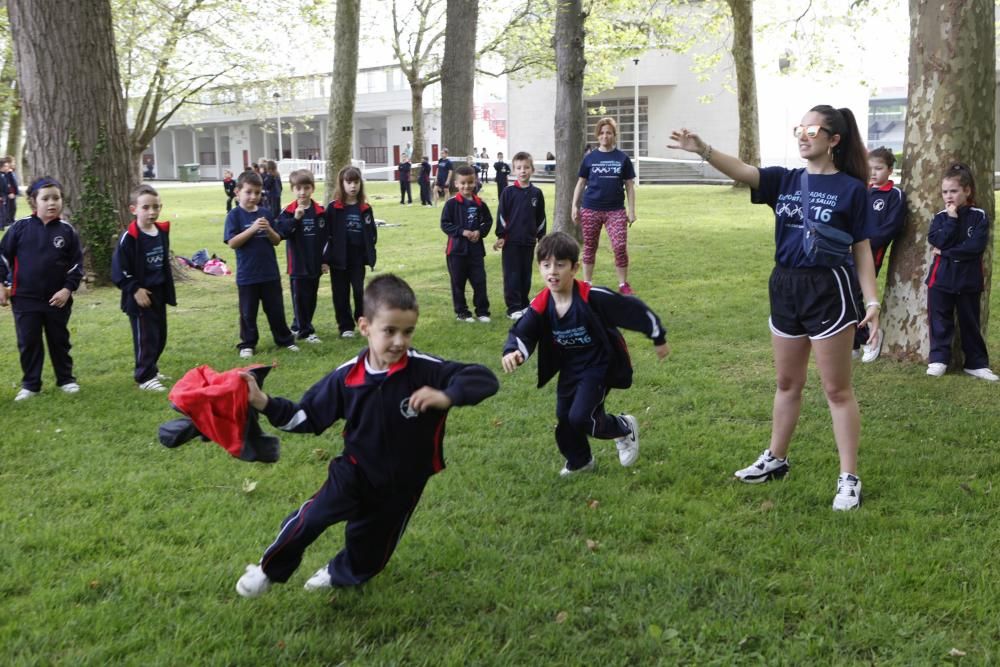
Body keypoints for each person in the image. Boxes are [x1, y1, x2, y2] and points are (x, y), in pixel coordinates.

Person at [234, 274, 500, 598]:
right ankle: (266, 570)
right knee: (311, 518)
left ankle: (338, 572)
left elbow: (483, 378)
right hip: (354, 471)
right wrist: (263, 402)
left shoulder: (425, 370)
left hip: (404, 482)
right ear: (365, 326)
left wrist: (447, 395)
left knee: (370, 550)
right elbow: (305, 416)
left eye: (408, 331)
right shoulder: (347, 377)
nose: (400, 341)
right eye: (389, 331)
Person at [669, 105, 880, 511]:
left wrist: (871, 300)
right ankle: (776, 459)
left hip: (828, 288)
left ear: (833, 139)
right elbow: (744, 172)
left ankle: (849, 478)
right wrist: (703, 149)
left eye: (812, 129)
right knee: (787, 383)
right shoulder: (786, 180)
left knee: (836, 390)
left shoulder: (852, 189)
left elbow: (861, 250)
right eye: (798, 127)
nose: (803, 135)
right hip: (784, 286)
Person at [501, 232, 669, 476]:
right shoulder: (541, 303)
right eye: (546, 265)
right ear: (539, 268)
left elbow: (632, 310)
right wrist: (514, 352)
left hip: (599, 365)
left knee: (582, 416)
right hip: (570, 366)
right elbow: (523, 332)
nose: (553, 272)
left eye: (560, 265)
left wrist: (658, 337)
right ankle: (580, 461)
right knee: (565, 417)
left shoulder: (591, 297)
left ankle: (623, 427)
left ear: (575, 268)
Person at [0, 177, 84, 401]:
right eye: (45, 198)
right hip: (25, 299)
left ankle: (66, 379)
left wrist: (67, 289)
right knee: (29, 342)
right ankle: (31, 384)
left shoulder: (67, 231)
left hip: (57, 300)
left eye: (56, 198)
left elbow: (76, 265)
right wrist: (1, 284)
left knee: (59, 340)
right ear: (32, 202)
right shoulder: (20, 228)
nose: (51, 203)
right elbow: (2, 258)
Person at [925, 162, 997, 382]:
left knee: (970, 322)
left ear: (967, 191)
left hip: (968, 281)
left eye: (954, 191)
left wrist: (945, 253)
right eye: (945, 192)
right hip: (940, 280)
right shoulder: (940, 217)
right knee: (940, 321)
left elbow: (974, 248)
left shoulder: (979, 216)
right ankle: (938, 360)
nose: (949, 196)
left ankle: (976, 364)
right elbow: (936, 240)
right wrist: (952, 220)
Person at [223, 170, 299, 358]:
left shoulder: (265, 213)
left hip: (269, 273)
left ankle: (284, 339)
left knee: (275, 310)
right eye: (248, 192)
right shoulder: (234, 215)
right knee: (248, 313)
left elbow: (276, 240)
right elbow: (232, 242)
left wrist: (268, 230)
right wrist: (253, 229)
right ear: (237, 192)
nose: (253, 196)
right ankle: (247, 343)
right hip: (247, 275)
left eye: (257, 193)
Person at [112, 184, 176, 392]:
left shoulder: (161, 232)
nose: (152, 212)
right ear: (134, 210)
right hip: (139, 295)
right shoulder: (129, 237)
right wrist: (135, 289)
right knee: (146, 337)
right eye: (146, 207)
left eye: (156, 207)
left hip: (158, 293)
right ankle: (144, 376)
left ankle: (152, 368)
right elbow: (119, 269)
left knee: (160, 336)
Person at [571, 118, 637, 294]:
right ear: (597, 136)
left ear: (614, 135)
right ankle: (587, 283)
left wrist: (632, 210)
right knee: (590, 247)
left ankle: (623, 284)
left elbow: (630, 185)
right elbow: (580, 183)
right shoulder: (590, 158)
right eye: (601, 133)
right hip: (591, 208)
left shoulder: (622, 158)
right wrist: (574, 206)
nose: (605, 136)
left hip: (615, 210)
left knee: (619, 245)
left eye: (608, 132)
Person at [856, 147, 905, 362]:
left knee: (861, 295)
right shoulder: (861, 190)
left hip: (870, 254)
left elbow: (891, 227)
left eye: (879, 168)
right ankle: (855, 342)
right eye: (869, 168)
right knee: (847, 296)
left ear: (890, 170)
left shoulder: (895, 195)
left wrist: (864, 243)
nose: (873, 172)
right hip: (847, 252)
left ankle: (872, 337)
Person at [275, 169, 328, 344]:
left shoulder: (320, 211)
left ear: (312, 188)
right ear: (292, 189)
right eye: (298, 188)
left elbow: (326, 238)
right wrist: (295, 220)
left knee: (311, 298)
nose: (302, 192)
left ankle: (299, 325)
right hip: (297, 264)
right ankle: (306, 331)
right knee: (299, 298)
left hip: (315, 263)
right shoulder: (288, 212)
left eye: (306, 188)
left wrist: (325, 260)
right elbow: (281, 233)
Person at [325, 165, 377, 339]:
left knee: (358, 291)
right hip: (339, 257)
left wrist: (369, 252)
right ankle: (345, 326)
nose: (353, 186)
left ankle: (362, 321)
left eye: (356, 182)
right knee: (340, 292)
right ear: (342, 184)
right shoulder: (333, 208)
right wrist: (325, 258)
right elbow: (326, 234)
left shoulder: (365, 208)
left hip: (357, 258)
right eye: (349, 182)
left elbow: (371, 233)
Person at [495, 151, 546, 319]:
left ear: (532, 170)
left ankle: (524, 304)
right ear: (513, 170)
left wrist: (541, 237)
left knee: (526, 274)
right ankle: (513, 307)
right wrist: (501, 235)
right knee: (512, 274)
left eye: (526, 167)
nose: (523, 171)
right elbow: (502, 215)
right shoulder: (508, 192)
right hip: (511, 242)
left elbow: (541, 217)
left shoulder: (536, 193)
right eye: (519, 168)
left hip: (529, 241)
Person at [441, 165, 492, 323]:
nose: (466, 186)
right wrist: (462, 232)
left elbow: (488, 221)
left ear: (475, 182)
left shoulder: (480, 204)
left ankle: (482, 311)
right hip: (456, 252)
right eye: (462, 183)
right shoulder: (451, 204)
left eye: (470, 182)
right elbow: (445, 224)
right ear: (456, 184)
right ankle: (462, 312)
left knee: (479, 281)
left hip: (475, 251)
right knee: (458, 283)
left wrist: (480, 231)